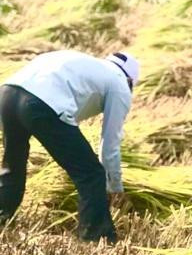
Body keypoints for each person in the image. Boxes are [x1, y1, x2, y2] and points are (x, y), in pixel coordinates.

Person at [0, 49, 139, 243]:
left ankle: (2, 215)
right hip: (40, 103)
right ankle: (95, 238)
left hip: (8, 94)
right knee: (91, 173)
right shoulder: (120, 85)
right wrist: (114, 186)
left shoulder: (88, 65)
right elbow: (110, 144)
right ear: (130, 81)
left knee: (12, 168)